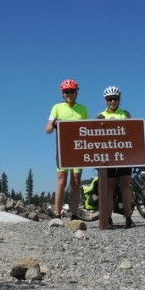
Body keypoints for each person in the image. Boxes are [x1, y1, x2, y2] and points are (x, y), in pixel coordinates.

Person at [45, 79, 89, 219]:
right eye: (66, 91)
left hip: (78, 149)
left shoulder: (83, 109)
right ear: (62, 94)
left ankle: (74, 214)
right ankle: (57, 215)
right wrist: (55, 123)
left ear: (76, 93)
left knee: (75, 182)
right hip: (63, 150)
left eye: (72, 91)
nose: (69, 94)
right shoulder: (57, 107)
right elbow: (47, 130)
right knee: (61, 181)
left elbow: (88, 129)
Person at [97, 86, 135, 228]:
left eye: (115, 99)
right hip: (108, 157)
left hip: (124, 155)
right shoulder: (100, 116)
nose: (112, 101)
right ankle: (107, 218)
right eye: (109, 99)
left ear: (119, 100)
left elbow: (132, 132)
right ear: (105, 101)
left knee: (125, 185)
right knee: (109, 187)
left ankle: (128, 218)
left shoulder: (125, 113)